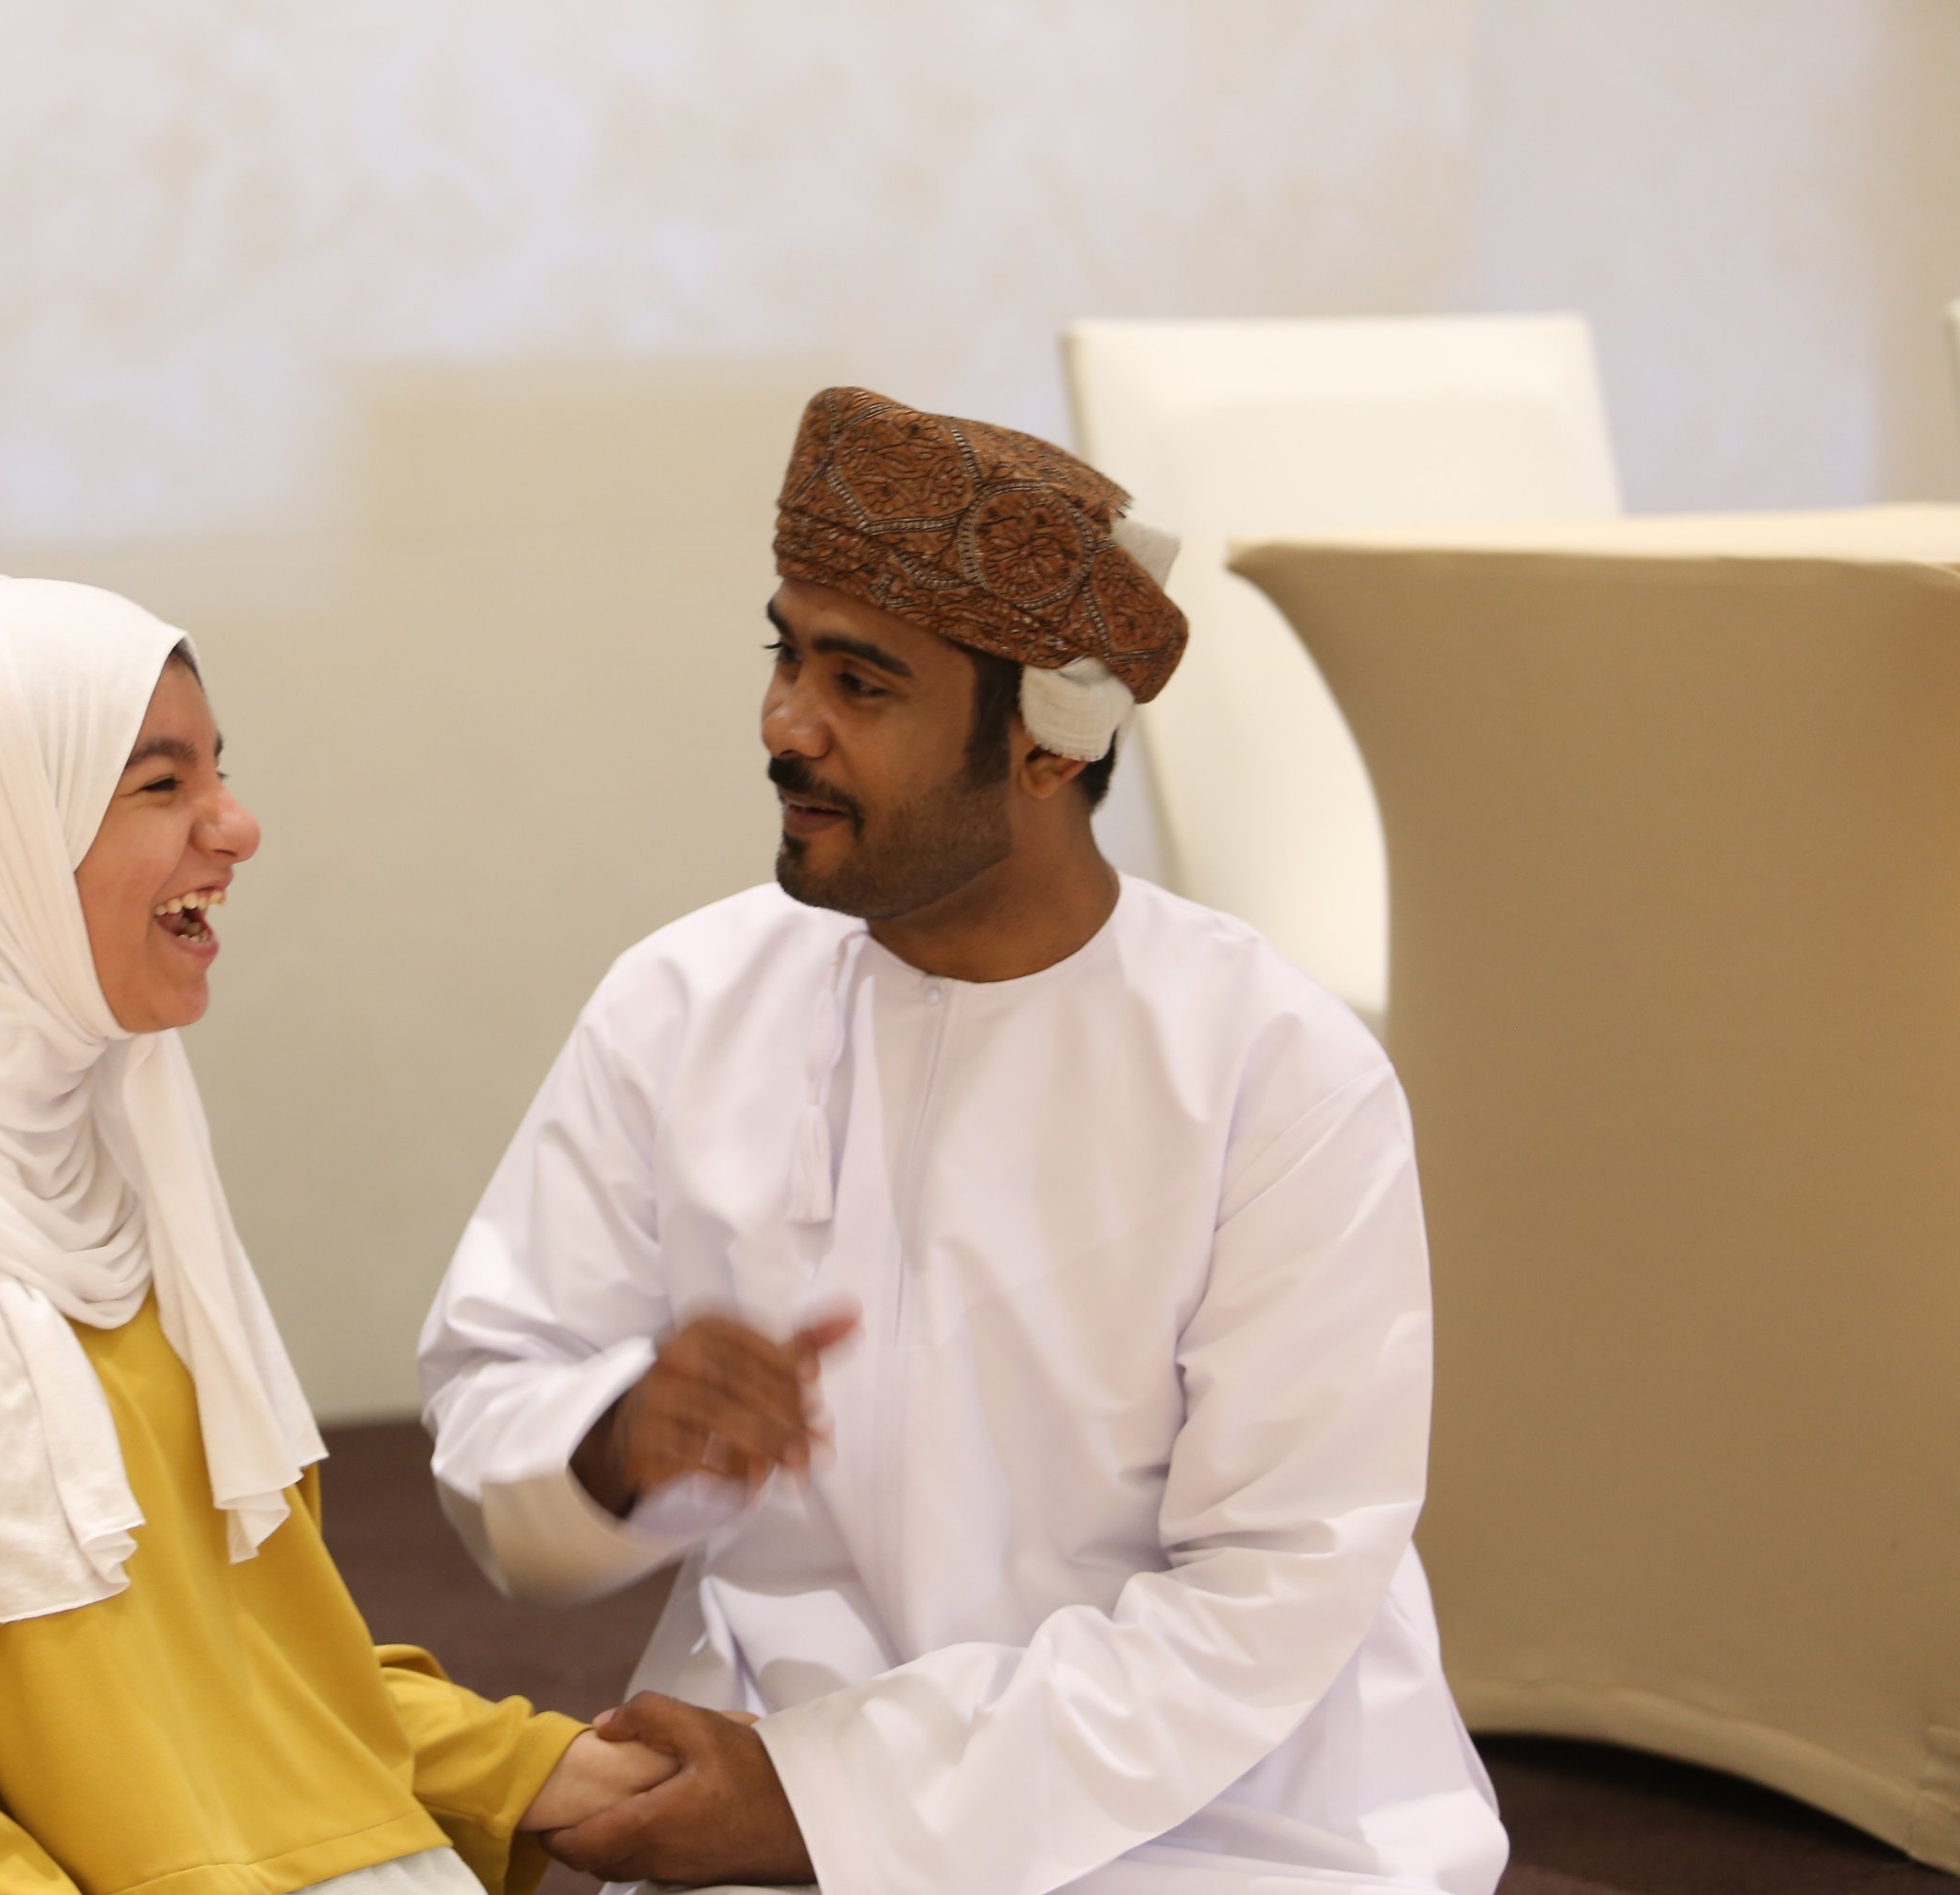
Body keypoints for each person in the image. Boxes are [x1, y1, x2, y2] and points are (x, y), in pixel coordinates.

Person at [418, 388, 1509, 1894]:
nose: (784, 726)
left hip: (1217, 1811)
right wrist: (615, 1440)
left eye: (860, 684)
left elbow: (1272, 1589)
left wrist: (827, 1809)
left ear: (1051, 745)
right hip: (764, 1753)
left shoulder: (1274, 1070)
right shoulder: (682, 1003)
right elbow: (496, 1401)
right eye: (786, 655)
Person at [0, 576, 672, 1895]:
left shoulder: (124, 1160)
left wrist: (543, 1770)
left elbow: (249, 1673)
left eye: (219, 773)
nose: (237, 826)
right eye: (160, 784)